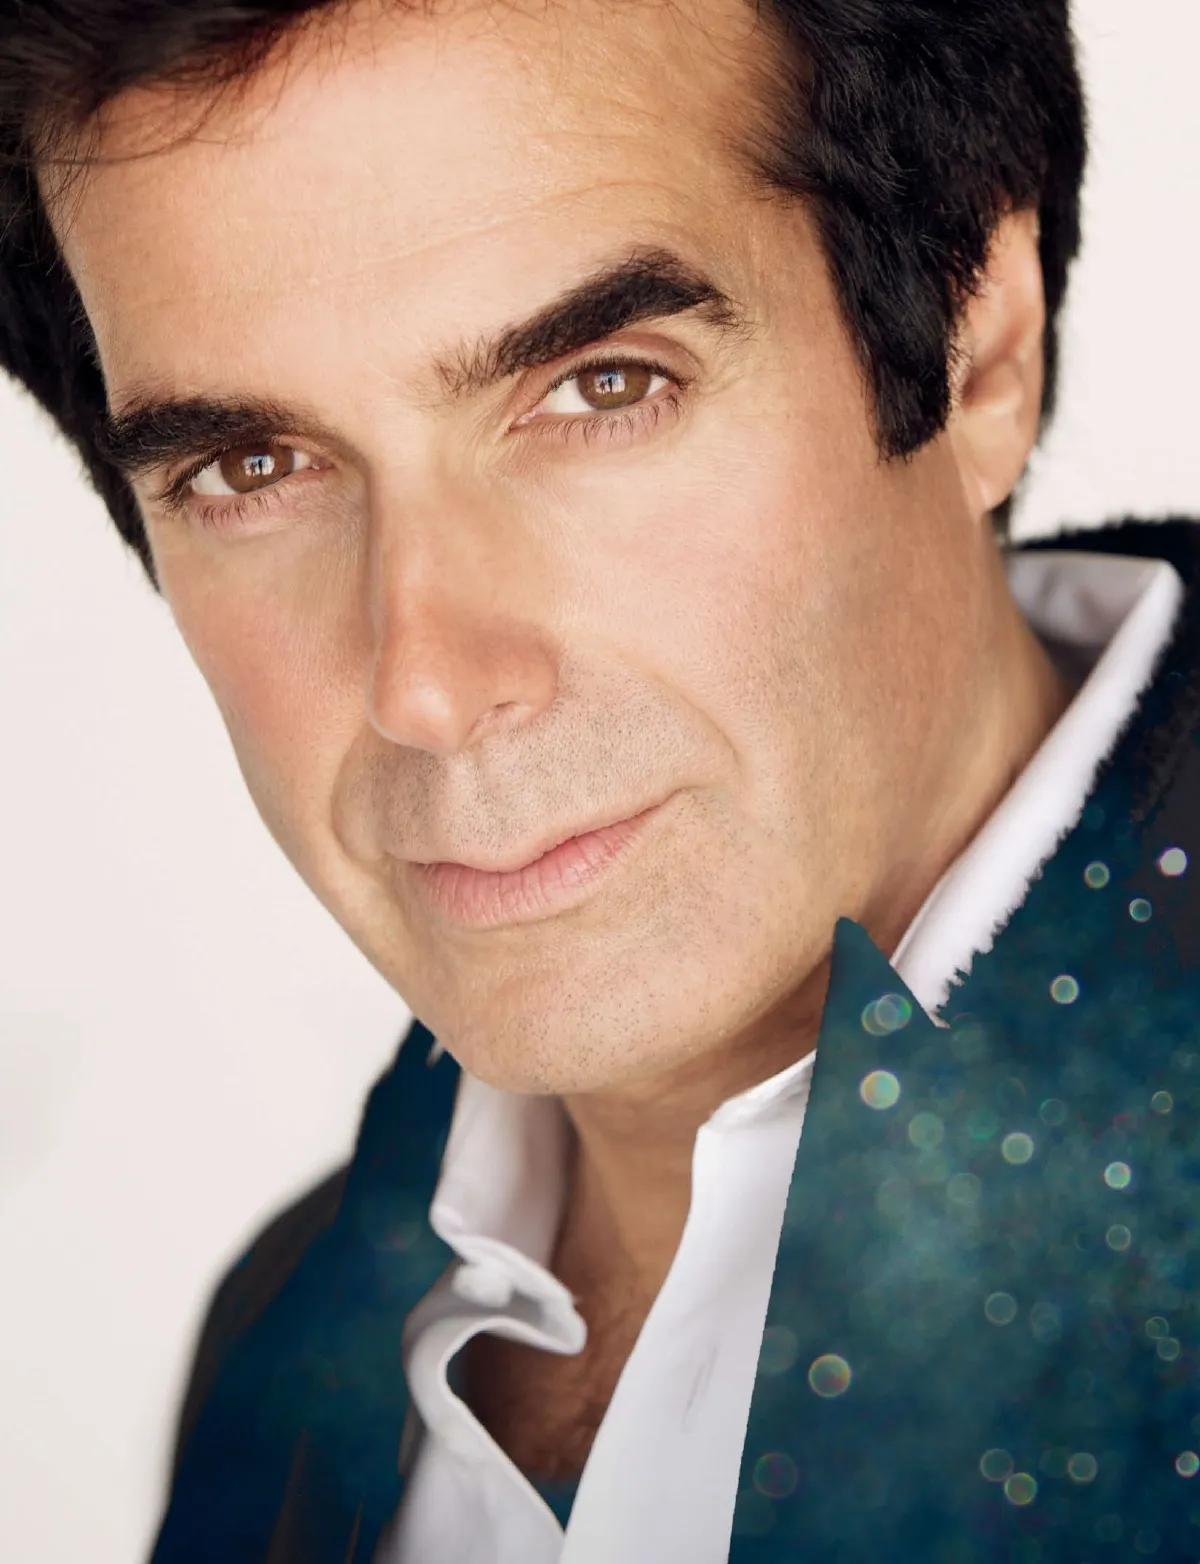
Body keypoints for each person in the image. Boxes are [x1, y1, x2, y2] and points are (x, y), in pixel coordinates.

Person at [2, 0, 1197, 1559]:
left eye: (604, 388)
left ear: (979, 354)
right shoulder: (285, 1338)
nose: (427, 688)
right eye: (254, 467)